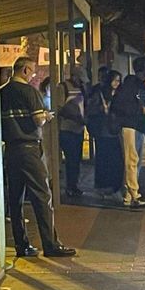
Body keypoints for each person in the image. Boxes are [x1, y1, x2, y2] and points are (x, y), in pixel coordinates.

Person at [1, 56, 76, 258]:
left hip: (11, 150)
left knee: (15, 199)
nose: (33, 74)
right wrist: (46, 116)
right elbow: (38, 120)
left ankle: (21, 245)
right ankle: (51, 245)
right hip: (29, 148)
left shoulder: (1, 92)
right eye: (32, 70)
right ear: (24, 70)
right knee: (42, 196)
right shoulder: (29, 91)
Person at [111, 56, 145, 208]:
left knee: (135, 161)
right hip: (128, 126)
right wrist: (140, 110)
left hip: (137, 127)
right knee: (131, 161)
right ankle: (134, 195)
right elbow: (119, 105)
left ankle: (128, 196)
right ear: (142, 67)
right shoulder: (130, 84)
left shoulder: (142, 86)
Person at [86, 69, 123, 195]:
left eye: (119, 81)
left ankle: (114, 184)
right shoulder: (99, 92)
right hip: (103, 129)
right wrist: (102, 109)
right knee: (103, 157)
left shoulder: (119, 93)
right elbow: (91, 109)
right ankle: (103, 184)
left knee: (115, 158)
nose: (117, 83)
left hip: (114, 129)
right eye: (115, 80)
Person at [57, 65, 88, 198]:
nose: (81, 82)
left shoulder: (81, 88)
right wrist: (75, 117)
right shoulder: (62, 88)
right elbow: (60, 108)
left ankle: (74, 185)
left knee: (76, 160)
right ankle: (70, 186)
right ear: (74, 76)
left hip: (79, 129)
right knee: (71, 160)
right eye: (80, 79)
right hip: (67, 129)